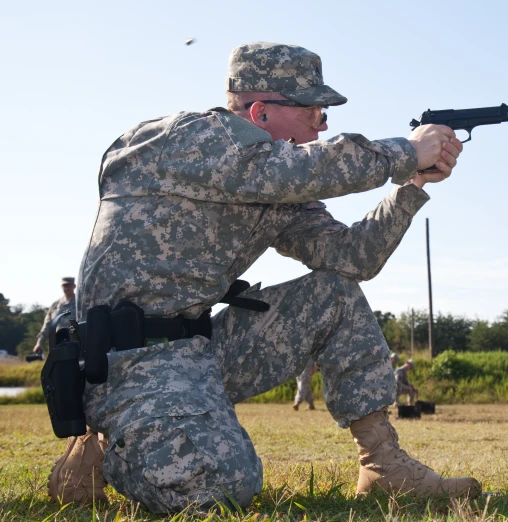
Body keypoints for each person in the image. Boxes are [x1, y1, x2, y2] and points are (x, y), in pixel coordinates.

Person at [51, 41, 480, 513]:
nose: (324, 123)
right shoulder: (184, 140)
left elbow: (353, 257)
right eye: (315, 111)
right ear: (260, 112)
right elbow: (300, 170)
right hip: (128, 360)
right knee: (220, 489)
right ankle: (98, 446)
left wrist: (412, 184)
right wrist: (406, 150)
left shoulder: (276, 183)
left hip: (198, 349)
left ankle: (383, 466)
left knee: (333, 292)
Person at [33, 277, 77, 355]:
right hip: (58, 344)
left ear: (74, 286)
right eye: (64, 285)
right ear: (61, 287)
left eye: (69, 285)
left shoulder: (79, 302)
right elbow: (47, 324)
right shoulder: (55, 305)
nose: (66, 288)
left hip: (76, 344)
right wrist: (39, 343)